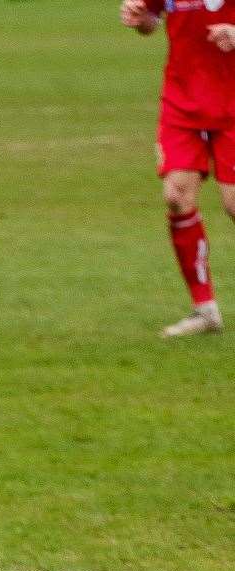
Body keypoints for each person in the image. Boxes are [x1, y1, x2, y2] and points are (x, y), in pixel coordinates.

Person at [121, 0, 235, 338]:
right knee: (176, 196)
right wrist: (140, 19)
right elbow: (151, 19)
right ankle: (205, 310)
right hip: (182, 103)